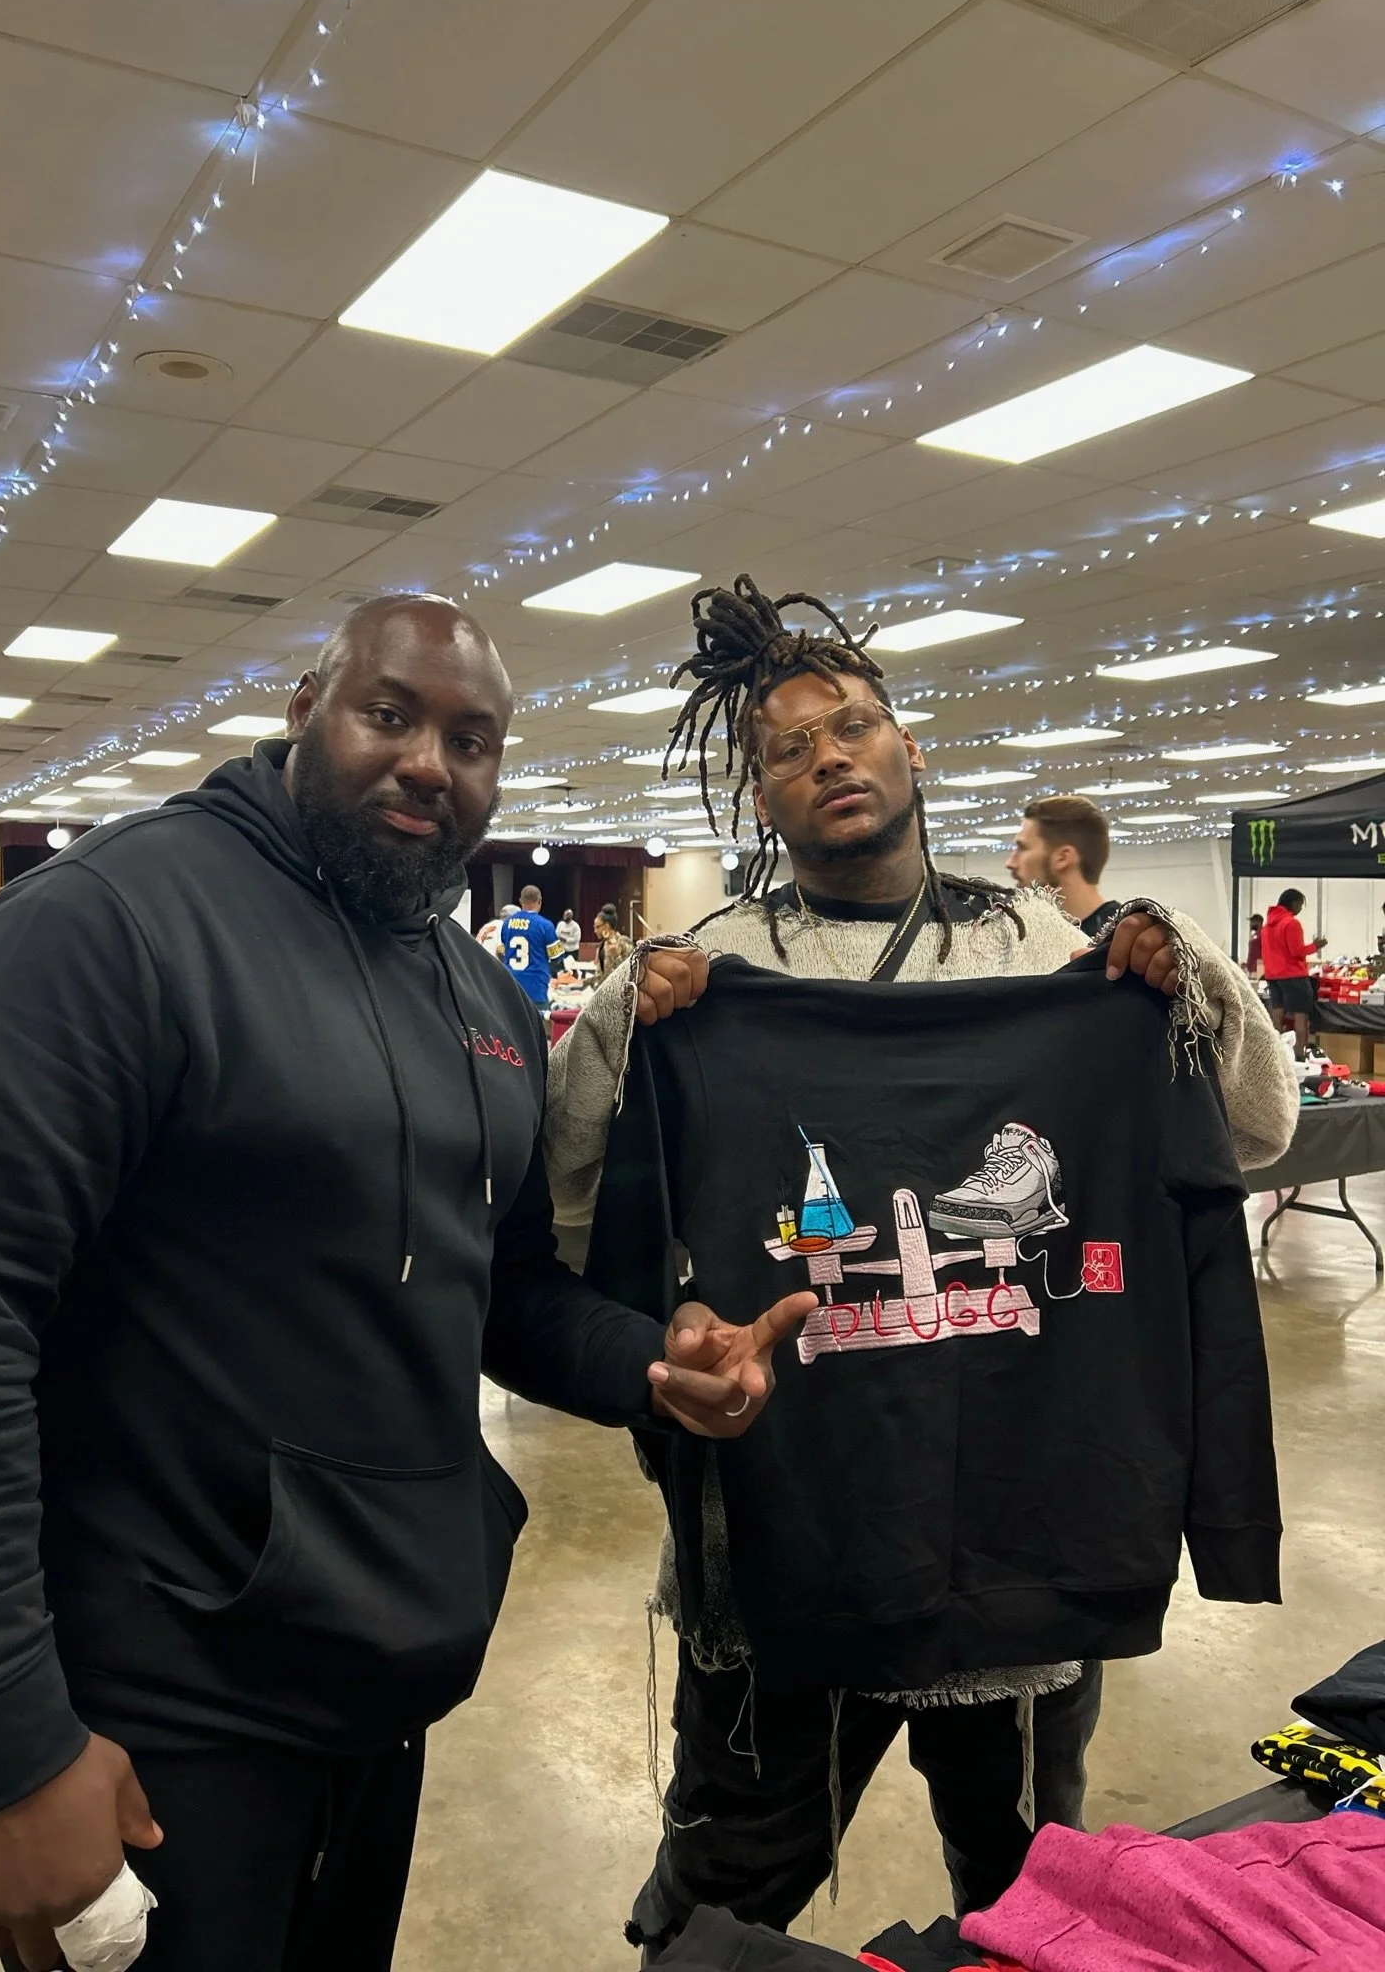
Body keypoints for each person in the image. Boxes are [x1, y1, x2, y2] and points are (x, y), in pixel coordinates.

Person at [0, 595, 813, 1972]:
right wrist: (4, 1745)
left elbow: (508, 1288)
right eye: (392, 713)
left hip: (377, 1672)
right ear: (307, 710)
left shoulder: (478, 998)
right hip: (157, 1700)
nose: (433, 760)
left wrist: (654, 1364)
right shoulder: (112, 927)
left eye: (473, 739)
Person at [545, 575, 1296, 1955]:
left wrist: (1181, 974)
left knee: (1021, 1913)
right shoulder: (711, 967)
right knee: (715, 1911)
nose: (827, 756)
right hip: (775, 1556)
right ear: (759, 802)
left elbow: (1256, 1125)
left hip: (1018, 1557)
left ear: (909, 752)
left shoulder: (1040, 947)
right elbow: (576, 1203)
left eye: (854, 727)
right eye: (786, 750)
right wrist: (623, 1020)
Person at [1007, 795, 1118, 936]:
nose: (1010, 863)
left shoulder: (1122, 944)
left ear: (1062, 858)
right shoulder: (1035, 937)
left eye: (1022, 848)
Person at [1260, 888, 1325, 1055]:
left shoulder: (1267, 927)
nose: (1300, 909)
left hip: (1273, 977)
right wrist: (1315, 946)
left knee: (1277, 1016)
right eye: (1301, 905)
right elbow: (1296, 951)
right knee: (1301, 1017)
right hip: (1294, 976)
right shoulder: (1291, 923)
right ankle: (1300, 1056)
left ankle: (1274, 1054)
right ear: (1294, 903)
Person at [500, 883, 565, 1008]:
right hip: (536, 987)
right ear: (539, 901)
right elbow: (557, 959)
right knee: (537, 1026)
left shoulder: (506, 924)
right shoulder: (545, 926)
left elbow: (504, 951)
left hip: (510, 985)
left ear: (520, 901)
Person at [594, 903, 634, 979]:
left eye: (597, 927)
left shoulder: (625, 943)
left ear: (607, 926)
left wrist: (617, 957)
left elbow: (630, 974)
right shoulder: (601, 946)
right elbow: (599, 978)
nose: (595, 931)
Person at [1246, 912, 1264, 977]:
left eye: (1252, 922)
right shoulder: (1254, 935)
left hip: (1259, 969)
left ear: (1259, 922)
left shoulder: (1263, 934)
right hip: (1251, 969)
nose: (1250, 924)